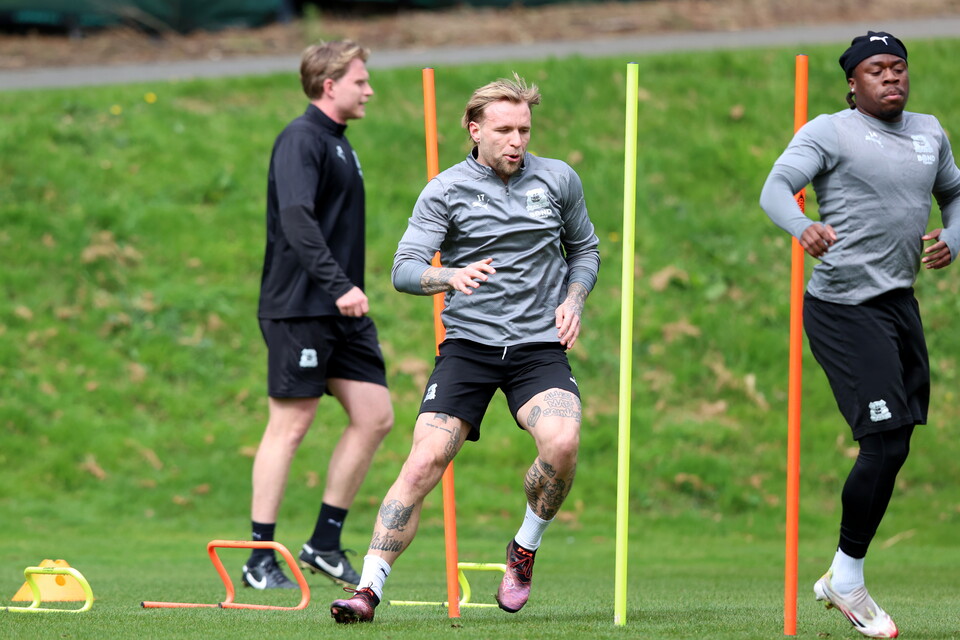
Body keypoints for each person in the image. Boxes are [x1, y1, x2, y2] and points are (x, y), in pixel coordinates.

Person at [329, 73, 601, 623]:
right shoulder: (445, 189)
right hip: (469, 347)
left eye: (524, 129)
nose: (516, 140)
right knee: (425, 458)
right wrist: (449, 276)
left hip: (537, 348)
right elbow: (404, 271)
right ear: (474, 129)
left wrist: (574, 300)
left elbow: (586, 250)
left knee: (564, 441)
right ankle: (367, 590)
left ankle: (523, 549)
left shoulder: (558, 179)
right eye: (503, 129)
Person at [760, 31, 960, 639]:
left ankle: (841, 575)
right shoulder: (829, 131)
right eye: (877, 70)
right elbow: (773, 188)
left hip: (899, 305)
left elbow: (955, 195)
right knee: (881, 440)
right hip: (843, 307)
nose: (892, 78)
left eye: (899, 68)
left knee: (896, 444)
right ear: (853, 82)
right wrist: (802, 227)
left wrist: (954, 236)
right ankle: (847, 581)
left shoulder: (930, 132)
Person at [242, 40, 394, 591]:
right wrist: (339, 287)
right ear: (330, 85)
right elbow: (297, 219)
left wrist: (344, 293)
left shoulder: (339, 145)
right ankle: (258, 557)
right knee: (291, 424)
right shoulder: (300, 139)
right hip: (301, 307)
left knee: (375, 415)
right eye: (360, 80)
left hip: (340, 309)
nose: (369, 89)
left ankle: (323, 543)